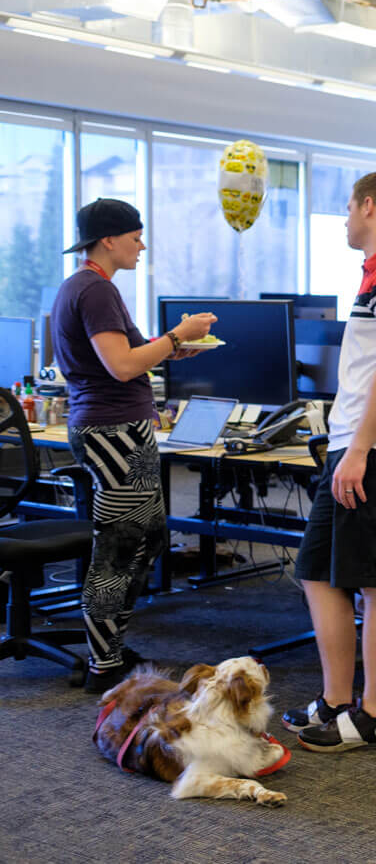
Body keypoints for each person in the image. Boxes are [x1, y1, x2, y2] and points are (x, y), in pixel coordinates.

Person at [281, 172, 376, 752]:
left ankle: (375, 713)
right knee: (318, 574)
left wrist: (358, 451)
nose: (346, 219)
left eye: (348, 208)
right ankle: (335, 700)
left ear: (368, 206)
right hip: (358, 444)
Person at [50, 198, 217, 693]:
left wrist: (178, 347)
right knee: (120, 549)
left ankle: (112, 648)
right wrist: (176, 333)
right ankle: (104, 664)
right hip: (113, 429)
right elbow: (121, 367)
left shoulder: (85, 288)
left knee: (146, 539)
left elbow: (127, 358)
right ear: (109, 239)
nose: (142, 245)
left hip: (116, 426)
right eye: (135, 235)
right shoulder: (96, 291)